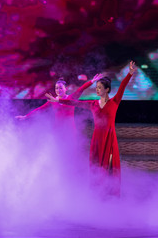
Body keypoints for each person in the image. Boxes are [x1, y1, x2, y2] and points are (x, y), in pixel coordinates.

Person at [47, 61, 137, 196]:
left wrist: (129, 73)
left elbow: (122, 87)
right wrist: (58, 100)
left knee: (110, 166)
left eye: (100, 87)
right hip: (97, 139)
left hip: (109, 138)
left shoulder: (114, 101)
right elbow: (74, 102)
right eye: (97, 87)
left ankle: (112, 193)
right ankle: (98, 193)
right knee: (97, 166)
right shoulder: (92, 104)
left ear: (107, 90)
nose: (97, 89)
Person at [15, 74, 105, 134]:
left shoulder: (72, 98)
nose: (58, 90)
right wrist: (26, 116)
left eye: (61, 88)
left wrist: (92, 81)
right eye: (56, 88)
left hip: (70, 130)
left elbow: (81, 89)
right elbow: (40, 109)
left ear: (66, 89)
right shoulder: (53, 100)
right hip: (57, 129)